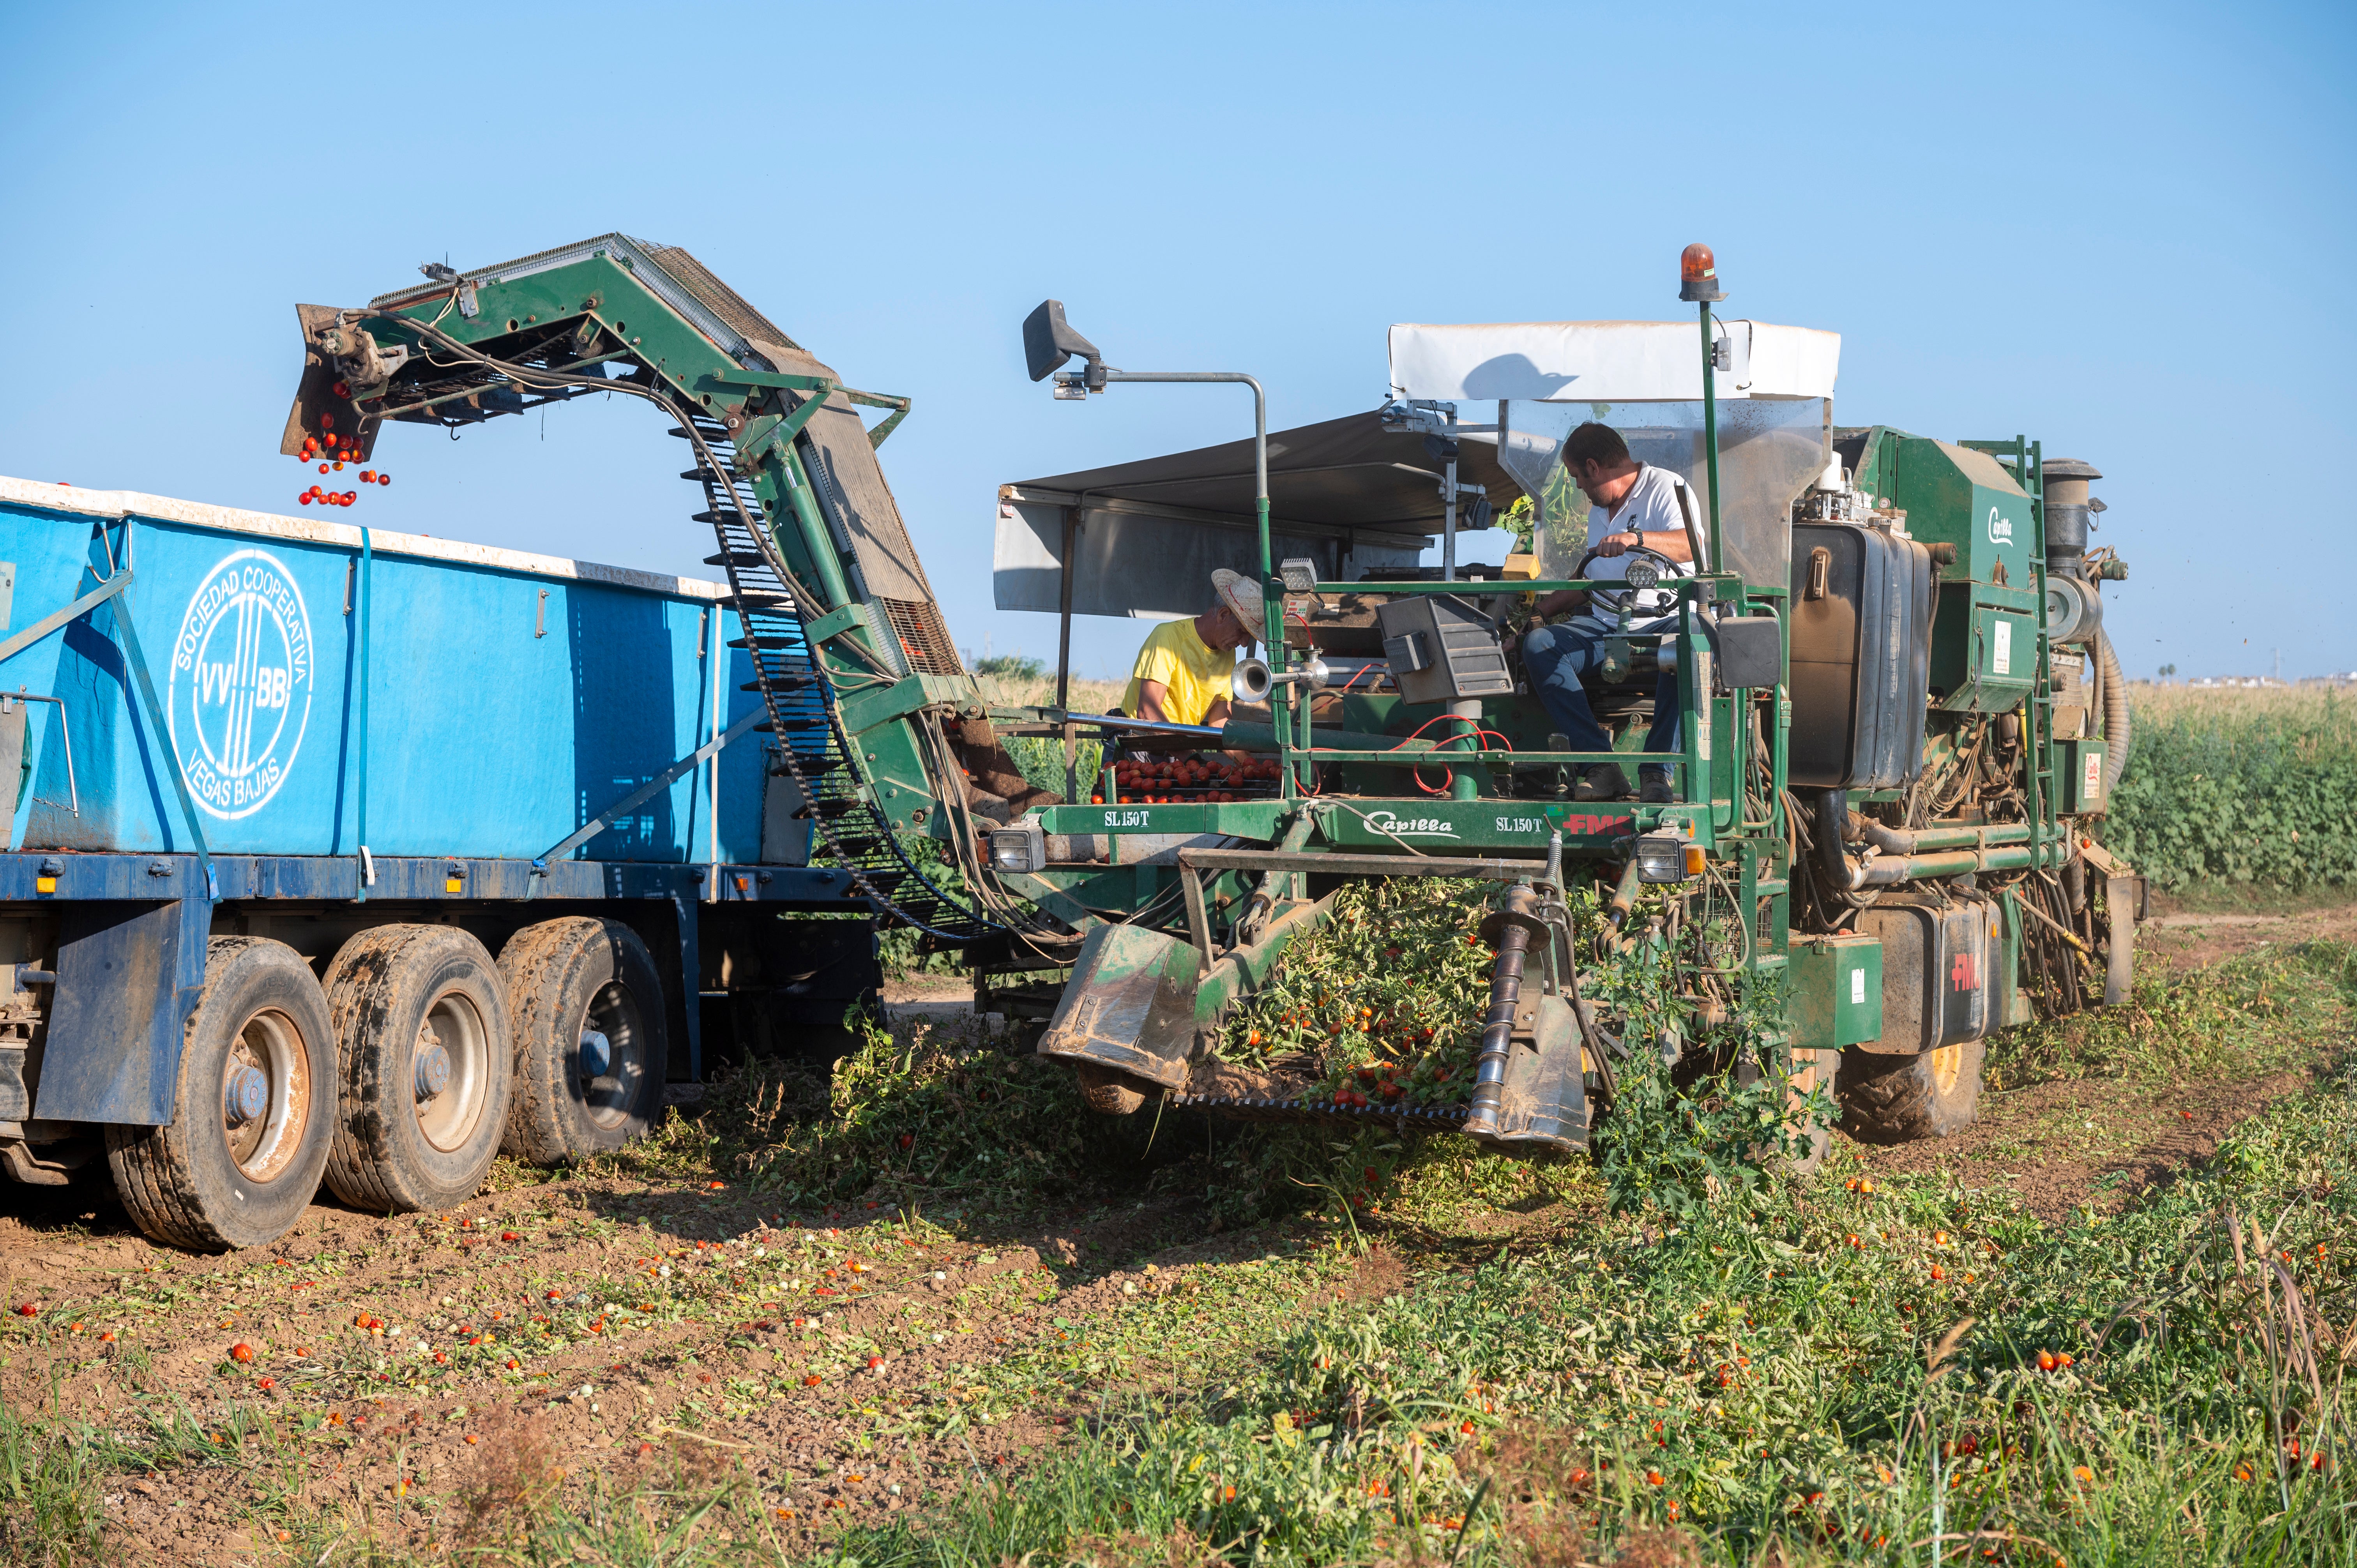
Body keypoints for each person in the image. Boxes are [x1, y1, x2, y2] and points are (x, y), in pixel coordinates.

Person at [1516, 422, 1699, 803]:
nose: (1579, 487)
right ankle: (1601, 766)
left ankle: (1656, 773)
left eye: (1577, 477)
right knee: (1540, 645)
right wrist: (1537, 612)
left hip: (1663, 620)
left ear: (1593, 467)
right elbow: (1589, 579)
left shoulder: (1667, 487)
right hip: (1606, 625)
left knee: (1686, 644)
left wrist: (1637, 539)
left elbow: (1690, 546)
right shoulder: (1598, 513)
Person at [1120, 568, 1263, 726]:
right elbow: (1147, 712)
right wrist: (1184, 752)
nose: (1243, 643)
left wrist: (1244, 752)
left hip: (1176, 745)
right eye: (1241, 632)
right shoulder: (1167, 637)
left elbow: (1219, 723)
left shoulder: (1228, 654)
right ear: (1223, 615)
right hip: (1139, 744)